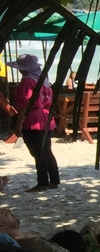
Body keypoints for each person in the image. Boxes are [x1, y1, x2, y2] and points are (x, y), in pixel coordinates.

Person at [5, 54, 60, 192]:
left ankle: (42, 183)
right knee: (47, 150)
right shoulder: (43, 79)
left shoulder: (27, 82)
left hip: (33, 119)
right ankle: (54, 180)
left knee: (37, 152)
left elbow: (25, 106)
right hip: (46, 117)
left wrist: (18, 126)